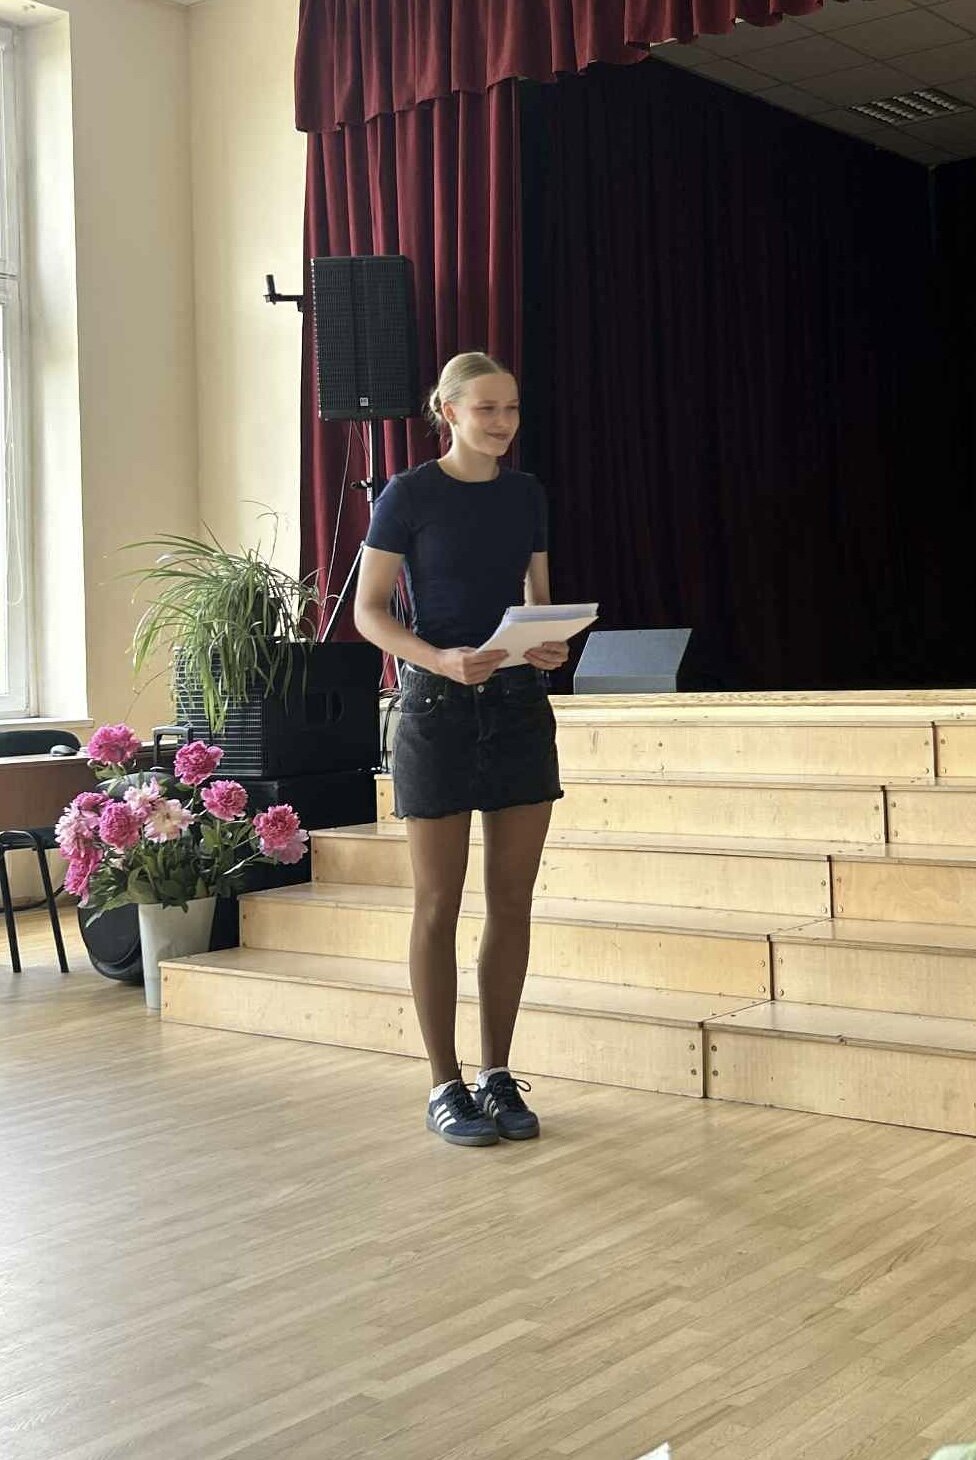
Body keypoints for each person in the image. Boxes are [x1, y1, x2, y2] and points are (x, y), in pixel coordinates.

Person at [353, 351, 568, 1148]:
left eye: (511, 408)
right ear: (448, 411)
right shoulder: (408, 495)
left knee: (512, 903)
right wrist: (438, 659)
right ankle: (444, 1084)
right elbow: (370, 611)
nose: (503, 422)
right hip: (435, 711)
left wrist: (549, 644)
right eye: (486, 409)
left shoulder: (526, 494)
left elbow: (538, 602)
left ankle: (497, 1075)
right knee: (438, 903)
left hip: (517, 709)